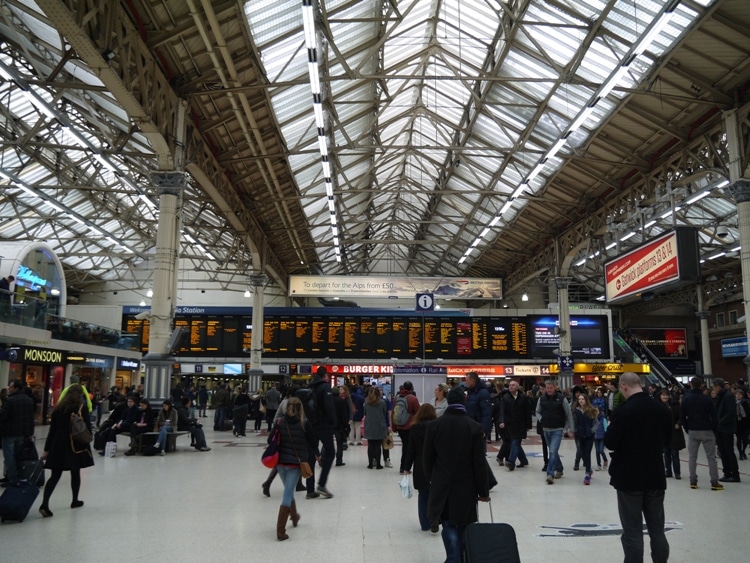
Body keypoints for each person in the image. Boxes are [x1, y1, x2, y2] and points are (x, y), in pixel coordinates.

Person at [604, 372, 672, 563]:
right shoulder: (662, 409)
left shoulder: (624, 411)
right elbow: (667, 441)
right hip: (655, 475)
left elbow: (610, 442)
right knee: (657, 529)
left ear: (624, 386)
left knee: (632, 530)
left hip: (629, 477)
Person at [424, 386, 490, 562]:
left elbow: (427, 459)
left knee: (447, 523)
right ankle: (458, 556)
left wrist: (432, 479)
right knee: (463, 525)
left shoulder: (434, 426)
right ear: (464, 401)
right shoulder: (474, 427)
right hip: (466, 486)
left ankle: (453, 557)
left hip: (442, 484)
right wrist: (483, 491)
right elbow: (479, 463)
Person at [39, 384, 94, 517]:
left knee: (55, 475)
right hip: (75, 444)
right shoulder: (81, 407)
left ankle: (45, 503)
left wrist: (46, 449)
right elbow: (87, 427)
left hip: (57, 444)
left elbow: (52, 431)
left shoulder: (58, 409)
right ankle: (74, 500)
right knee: (75, 472)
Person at [272, 397, 318, 541]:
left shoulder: (279, 422)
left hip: (280, 463)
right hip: (294, 463)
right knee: (287, 493)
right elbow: (313, 441)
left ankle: (294, 515)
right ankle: (280, 530)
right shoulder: (304, 423)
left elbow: (270, 440)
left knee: (288, 489)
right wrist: (317, 454)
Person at [681, 376, 722, 490]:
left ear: (690, 384)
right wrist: (714, 430)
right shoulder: (707, 399)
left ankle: (693, 481)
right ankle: (714, 482)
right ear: (702, 385)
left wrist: (687, 428)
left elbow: (682, 416)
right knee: (711, 457)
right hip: (707, 430)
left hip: (693, 430)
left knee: (692, 457)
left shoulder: (686, 399)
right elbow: (714, 416)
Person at [403, 403, 437, 531]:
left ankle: (425, 523)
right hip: (435, 464)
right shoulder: (436, 426)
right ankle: (435, 518)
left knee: (423, 495)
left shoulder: (415, 428)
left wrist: (406, 467)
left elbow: (410, 450)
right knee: (436, 494)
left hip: (420, 464)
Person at [536, 379, 574, 484]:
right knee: (553, 451)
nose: (548, 390)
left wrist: (569, 429)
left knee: (552, 451)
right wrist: (541, 419)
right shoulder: (542, 399)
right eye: (547, 388)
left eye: (550, 388)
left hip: (557, 429)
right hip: (546, 429)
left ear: (554, 388)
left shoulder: (562, 399)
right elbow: (537, 411)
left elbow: (568, 414)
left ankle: (550, 474)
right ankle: (560, 468)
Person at [308, 366, 337, 498]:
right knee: (330, 452)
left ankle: (310, 490)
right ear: (325, 375)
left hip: (310, 425)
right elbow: (328, 406)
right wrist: (332, 422)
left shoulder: (310, 386)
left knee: (311, 455)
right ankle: (321, 484)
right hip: (323, 425)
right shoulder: (325, 387)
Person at [0, 379, 35, 484]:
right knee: (18, 455)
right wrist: (30, 432)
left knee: (9, 456)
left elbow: (2, 416)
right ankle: (18, 475)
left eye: (11, 387)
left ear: (16, 388)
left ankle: (11, 477)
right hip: (22, 433)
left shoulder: (10, 400)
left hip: (10, 433)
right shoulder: (29, 400)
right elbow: (30, 418)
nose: (9, 389)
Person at [498, 379, 532, 471]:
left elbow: (527, 412)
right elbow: (502, 411)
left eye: (513, 385)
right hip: (509, 424)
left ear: (517, 387)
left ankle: (511, 462)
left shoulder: (523, 397)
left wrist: (528, 425)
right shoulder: (505, 397)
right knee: (515, 443)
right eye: (510, 385)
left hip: (520, 424)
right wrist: (501, 421)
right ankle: (524, 460)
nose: (511, 386)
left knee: (515, 443)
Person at [712, 378, 740, 482]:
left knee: (728, 451)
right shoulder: (721, 396)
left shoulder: (728, 396)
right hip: (721, 429)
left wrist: (720, 421)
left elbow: (731, 412)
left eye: (714, 387)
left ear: (719, 386)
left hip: (726, 429)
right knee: (723, 452)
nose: (713, 389)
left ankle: (735, 474)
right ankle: (727, 473)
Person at [392, 380, 420, 474]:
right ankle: (404, 467)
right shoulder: (413, 399)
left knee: (406, 446)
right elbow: (418, 413)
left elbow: (393, 413)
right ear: (412, 388)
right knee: (408, 448)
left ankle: (403, 467)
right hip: (410, 426)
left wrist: (394, 426)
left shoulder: (396, 398)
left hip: (399, 426)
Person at [572, 393, 599, 485]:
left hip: (589, 436)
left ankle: (587, 473)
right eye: (579, 399)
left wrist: (592, 430)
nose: (581, 400)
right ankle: (589, 469)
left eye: (582, 399)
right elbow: (573, 421)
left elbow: (596, 422)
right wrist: (572, 430)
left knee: (587, 453)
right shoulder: (576, 411)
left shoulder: (591, 411)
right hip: (580, 435)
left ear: (586, 400)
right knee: (582, 453)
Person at [659, 389, 684, 479]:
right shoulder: (658, 406)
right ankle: (668, 471)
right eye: (663, 395)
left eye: (666, 395)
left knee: (674, 452)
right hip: (664, 433)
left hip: (674, 432)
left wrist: (678, 423)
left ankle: (677, 472)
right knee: (666, 453)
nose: (665, 397)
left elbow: (681, 416)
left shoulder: (674, 406)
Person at [363, 387, 389, 469]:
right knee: (378, 445)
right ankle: (378, 464)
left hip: (369, 425)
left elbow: (365, 413)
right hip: (380, 425)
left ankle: (370, 463)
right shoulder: (382, 402)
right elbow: (384, 412)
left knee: (370, 445)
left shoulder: (366, 403)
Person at [465, 372, 492, 444]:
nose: (465, 382)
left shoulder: (483, 393)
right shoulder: (471, 392)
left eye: (467, 380)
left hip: (478, 427)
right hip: (471, 426)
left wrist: (483, 429)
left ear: (472, 381)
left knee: (479, 451)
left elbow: (486, 412)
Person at [332, 387, 350, 466]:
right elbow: (344, 415)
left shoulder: (328, 401)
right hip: (339, 425)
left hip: (329, 424)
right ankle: (339, 460)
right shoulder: (341, 401)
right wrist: (346, 425)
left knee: (327, 443)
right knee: (339, 443)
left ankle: (323, 459)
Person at [592, 389, 609, 471]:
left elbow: (606, 428)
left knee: (601, 450)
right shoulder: (593, 419)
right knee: (597, 451)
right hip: (595, 436)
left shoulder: (603, 419)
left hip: (602, 436)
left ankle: (605, 459)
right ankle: (598, 464)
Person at [736, 388, 749, 460]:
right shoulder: (734, 403)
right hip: (737, 423)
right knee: (738, 439)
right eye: (736, 394)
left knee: (745, 439)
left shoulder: (745, 402)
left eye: (739, 394)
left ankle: (743, 450)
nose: (738, 396)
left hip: (745, 423)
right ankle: (740, 452)